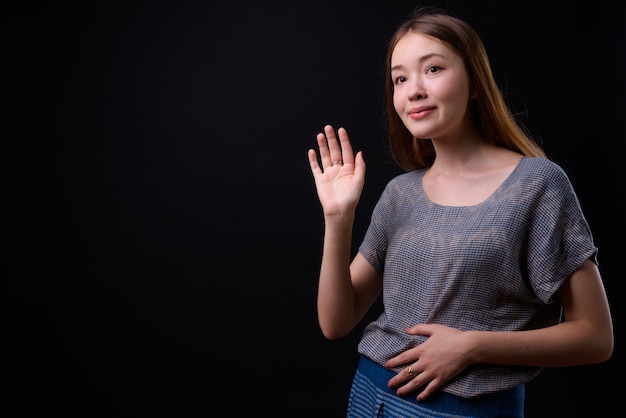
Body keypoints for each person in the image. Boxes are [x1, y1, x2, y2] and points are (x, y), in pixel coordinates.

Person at [307, 6, 614, 418]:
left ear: (473, 82)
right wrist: (337, 218)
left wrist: (472, 346)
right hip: (368, 397)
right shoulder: (401, 193)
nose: (413, 89)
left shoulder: (537, 184)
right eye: (400, 78)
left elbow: (596, 337)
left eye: (432, 69)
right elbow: (335, 323)